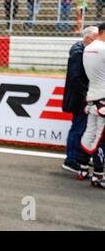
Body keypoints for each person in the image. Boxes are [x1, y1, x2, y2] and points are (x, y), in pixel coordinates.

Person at [62, 26, 98, 173]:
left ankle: (77, 157)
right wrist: (86, 93)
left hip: (83, 95)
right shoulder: (78, 52)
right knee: (78, 127)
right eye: (96, 39)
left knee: (82, 127)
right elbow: (75, 77)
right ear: (88, 38)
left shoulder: (84, 51)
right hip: (79, 97)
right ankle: (71, 160)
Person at [77, 23, 105, 189]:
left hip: (92, 95)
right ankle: (99, 175)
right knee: (101, 138)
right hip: (103, 98)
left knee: (89, 132)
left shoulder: (88, 48)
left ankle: (83, 168)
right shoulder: (103, 48)